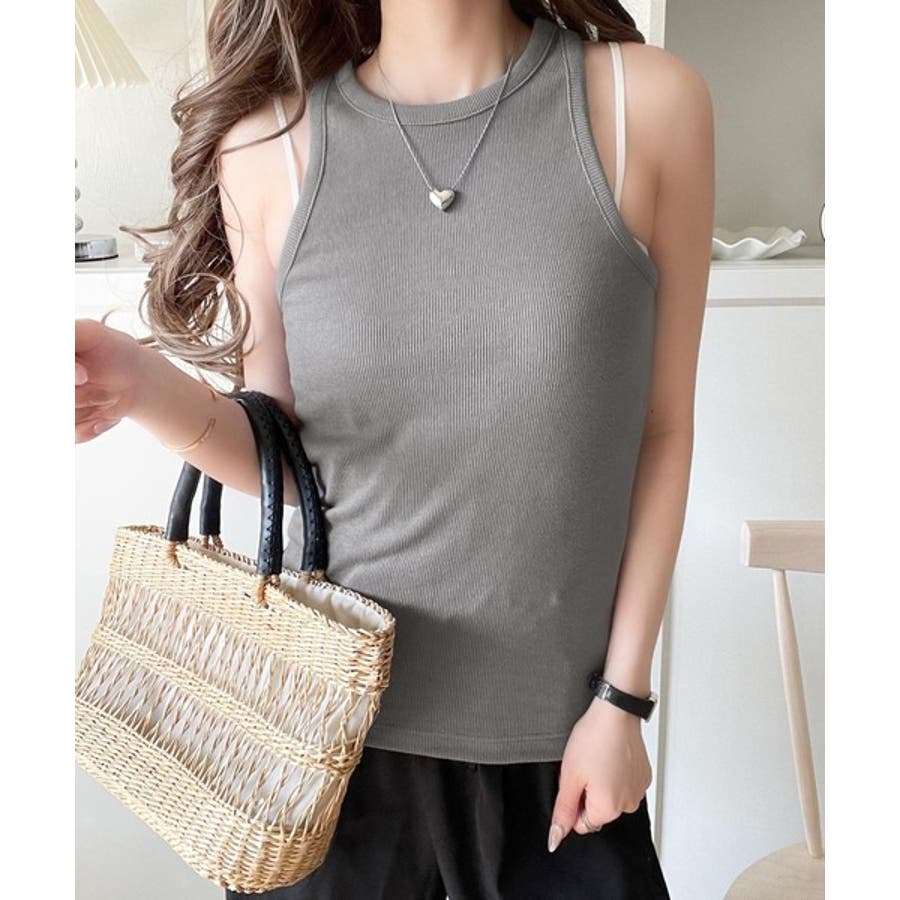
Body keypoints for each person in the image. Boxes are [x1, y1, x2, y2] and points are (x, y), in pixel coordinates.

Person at [75, 0, 713, 896]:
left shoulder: (643, 104)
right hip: (326, 756)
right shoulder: (269, 148)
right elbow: (287, 459)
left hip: (567, 755)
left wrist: (622, 700)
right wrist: (144, 387)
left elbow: (664, 429)